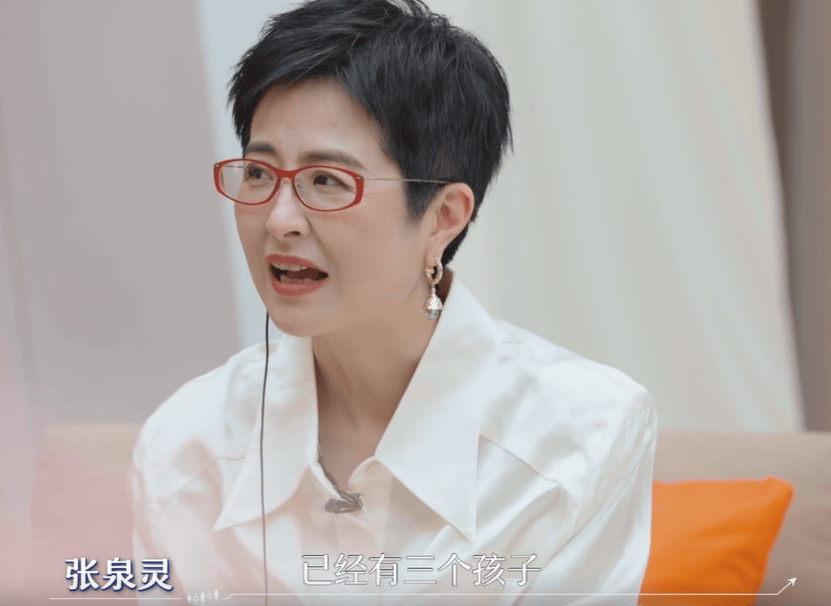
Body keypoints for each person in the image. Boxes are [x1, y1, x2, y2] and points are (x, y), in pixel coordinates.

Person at [131, 0, 657, 604]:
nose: (279, 221)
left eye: (326, 180)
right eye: (258, 173)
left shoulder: (584, 436)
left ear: (443, 216)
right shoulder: (185, 446)